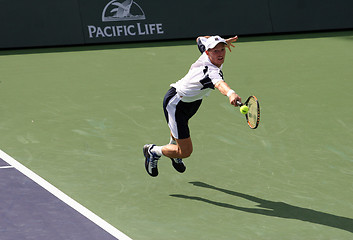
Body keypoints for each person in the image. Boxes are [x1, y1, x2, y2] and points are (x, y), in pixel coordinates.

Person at [143, 35, 241, 177]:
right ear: (207, 53)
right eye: (216, 51)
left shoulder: (206, 50)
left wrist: (224, 41)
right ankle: (153, 151)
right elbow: (219, 83)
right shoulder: (211, 71)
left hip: (193, 101)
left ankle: (173, 152)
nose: (220, 54)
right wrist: (231, 93)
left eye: (222, 49)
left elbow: (199, 38)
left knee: (178, 131)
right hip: (176, 104)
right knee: (186, 152)